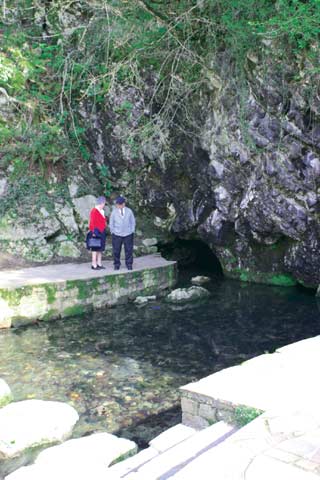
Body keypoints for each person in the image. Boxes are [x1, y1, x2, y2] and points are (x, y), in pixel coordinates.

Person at [110, 196, 136, 270]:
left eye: (119, 204)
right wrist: (113, 231)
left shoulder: (129, 211)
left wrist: (132, 230)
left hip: (128, 234)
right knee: (116, 250)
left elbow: (133, 221)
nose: (118, 206)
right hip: (117, 234)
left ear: (123, 204)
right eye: (117, 204)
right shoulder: (114, 212)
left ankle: (129, 264)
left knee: (129, 250)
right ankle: (116, 264)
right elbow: (111, 223)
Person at [87, 196, 108, 270]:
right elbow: (92, 223)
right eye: (104, 203)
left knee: (100, 248)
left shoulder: (102, 211)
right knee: (95, 248)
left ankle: (99, 263)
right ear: (101, 203)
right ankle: (94, 264)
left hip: (102, 231)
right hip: (95, 231)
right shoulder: (94, 211)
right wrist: (93, 232)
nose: (104, 205)